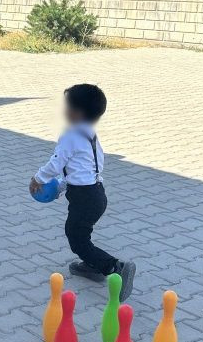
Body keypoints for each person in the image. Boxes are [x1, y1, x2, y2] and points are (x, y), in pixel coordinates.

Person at [29, 83, 135, 301]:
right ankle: (92, 265)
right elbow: (84, 168)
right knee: (82, 233)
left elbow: (57, 163)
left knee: (76, 238)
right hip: (97, 193)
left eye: (67, 106)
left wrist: (39, 178)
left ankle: (115, 267)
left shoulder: (70, 136)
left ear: (77, 112)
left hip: (84, 198)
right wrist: (60, 186)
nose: (63, 110)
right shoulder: (90, 136)